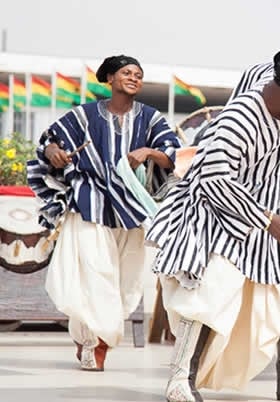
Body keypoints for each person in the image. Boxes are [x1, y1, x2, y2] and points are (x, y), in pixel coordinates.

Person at [147, 39, 280, 402]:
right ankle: (180, 380)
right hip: (221, 212)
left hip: (274, 204)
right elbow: (215, 180)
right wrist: (266, 219)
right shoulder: (240, 119)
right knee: (211, 292)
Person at [26, 55, 181, 371]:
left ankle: (92, 339)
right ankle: (94, 346)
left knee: (125, 283)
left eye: (139, 74)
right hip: (89, 203)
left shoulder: (151, 118)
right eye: (126, 72)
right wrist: (56, 154)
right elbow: (49, 144)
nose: (134, 78)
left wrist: (149, 151)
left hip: (132, 210)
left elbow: (171, 155)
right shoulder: (83, 116)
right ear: (110, 78)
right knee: (95, 277)